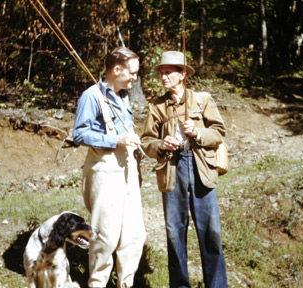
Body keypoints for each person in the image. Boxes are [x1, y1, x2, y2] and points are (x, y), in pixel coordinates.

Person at [140, 51, 228, 288]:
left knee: (210, 232)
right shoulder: (156, 106)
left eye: (169, 72)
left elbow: (219, 132)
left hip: (201, 167)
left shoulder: (202, 99)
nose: (164, 77)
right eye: (162, 72)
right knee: (174, 233)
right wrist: (160, 144)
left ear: (182, 75)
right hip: (172, 169)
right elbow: (146, 141)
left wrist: (198, 132)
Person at [73, 47, 146, 288]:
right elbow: (80, 134)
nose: (135, 78)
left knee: (134, 234)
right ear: (116, 70)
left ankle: (126, 283)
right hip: (104, 170)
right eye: (132, 73)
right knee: (105, 233)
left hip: (128, 169)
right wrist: (116, 140)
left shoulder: (124, 95)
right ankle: (97, 283)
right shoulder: (91, 96)